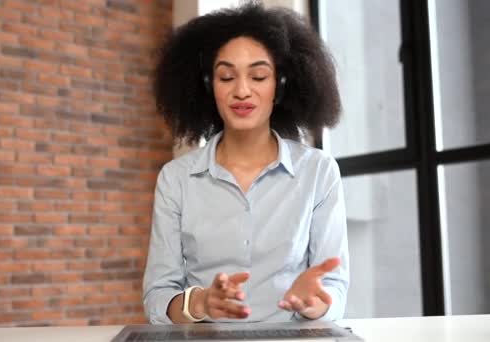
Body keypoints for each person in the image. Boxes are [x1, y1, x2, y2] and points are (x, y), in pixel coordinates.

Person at [143, 2, 349, 324]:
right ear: (210, 87)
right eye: (226, 77)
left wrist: (315, 302)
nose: (242, 91)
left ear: (279, 86)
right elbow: (158, 296)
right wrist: (198, 304)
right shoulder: (176, 179)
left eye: (258, 76)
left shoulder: (318, 172)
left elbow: (334, 287)